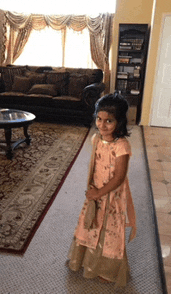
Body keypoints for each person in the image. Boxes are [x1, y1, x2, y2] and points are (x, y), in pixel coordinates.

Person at [68, 92, 136, 288]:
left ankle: (107, 269)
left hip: (111, 196)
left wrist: (99, 193)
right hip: (95, 191)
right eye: (99, 118)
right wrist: (92, 190)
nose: (102, 124)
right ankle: (84, 260)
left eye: (109, 121)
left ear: (120, 122)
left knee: (109, 230)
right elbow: (94, 166)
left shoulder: (122, 146)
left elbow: (119, 177)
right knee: (91, 223)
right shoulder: (96, 139)